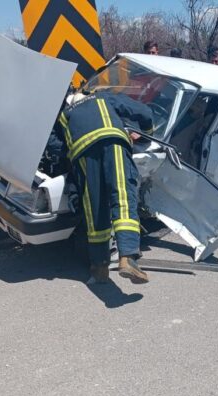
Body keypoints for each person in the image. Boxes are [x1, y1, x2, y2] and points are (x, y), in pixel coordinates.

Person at [57, 90, 154, 285]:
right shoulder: (102, 97)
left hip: (82, 155)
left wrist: (68, 159)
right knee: (123, 196)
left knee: (95, 210)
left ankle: (99, 267)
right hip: (112, 143)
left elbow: (54, 146)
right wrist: (146, 136)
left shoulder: (62, 116)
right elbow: (143, 112)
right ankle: (127, 257)